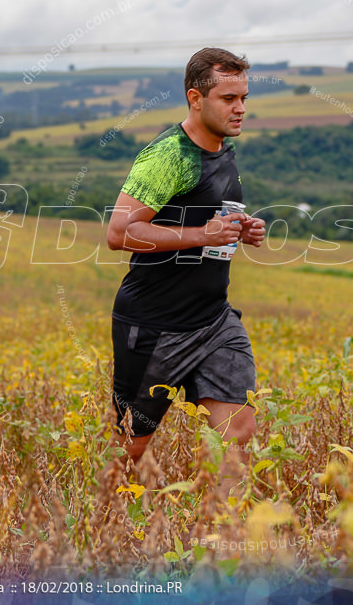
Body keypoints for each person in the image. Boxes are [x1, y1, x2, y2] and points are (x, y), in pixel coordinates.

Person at [105, 47, 266, 494]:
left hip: (214, 320)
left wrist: (242, 229)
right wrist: (203, 235)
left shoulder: (223, 153)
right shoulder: (167, 156)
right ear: (196, 99)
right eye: (228, 99)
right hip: (154, 325)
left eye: (244, 98)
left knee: (239, 431)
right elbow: (120, 233)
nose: (240, 109)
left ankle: (224, 535)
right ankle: (110, 527)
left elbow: (208, 221)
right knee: (129, 449)